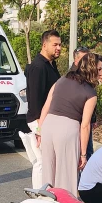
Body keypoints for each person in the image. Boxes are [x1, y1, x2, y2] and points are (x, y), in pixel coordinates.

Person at [38, 54, 99, 196]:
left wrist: (39, 131)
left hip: (48, 125)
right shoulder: (90, 93)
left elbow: (46, 106)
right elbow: (85, 125)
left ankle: (45, 201)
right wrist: (83, 154)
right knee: (66, 175)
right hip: (68, 128)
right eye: (100, 69)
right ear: (92, 69)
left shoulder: (61, 80)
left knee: (48, 172)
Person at [23, 30, 61, 189]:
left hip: (48, 120)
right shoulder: (38, 67)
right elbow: (34, 99)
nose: (59, 48)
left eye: (60, 45)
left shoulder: (50, 64)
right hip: (39, 120)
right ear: (44, 45)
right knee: (41, 161)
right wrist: (40, 128)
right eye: (55, 45)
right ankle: (39, 194)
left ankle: (47, 191)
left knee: (49, 161)